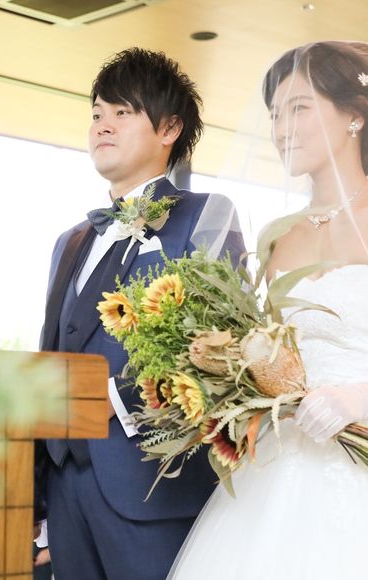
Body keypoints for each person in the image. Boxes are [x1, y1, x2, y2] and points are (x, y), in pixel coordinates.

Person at [36, 47, 244, 580]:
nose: (102, 126)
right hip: (66, 491)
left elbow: (222, 348)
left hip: (152, 486)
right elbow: (52, 354)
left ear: (169, 128)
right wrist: (39, 501)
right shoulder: (70, 242)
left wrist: (115, 400)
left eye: (122, 112)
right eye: (96, 114)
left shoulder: (205, 216)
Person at [168, 41, 368, 580]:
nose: (281, 129)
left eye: (298, 108)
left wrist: (358, 397)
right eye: (275, 114)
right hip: (284, 459)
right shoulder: (277, 236)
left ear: (353, 115)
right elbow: (274, 351)